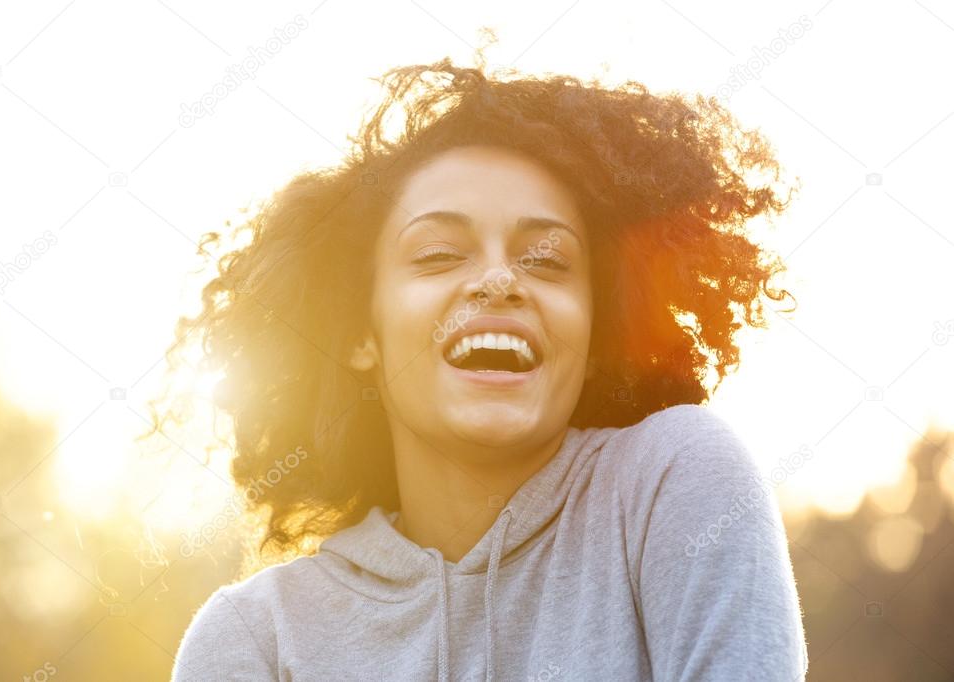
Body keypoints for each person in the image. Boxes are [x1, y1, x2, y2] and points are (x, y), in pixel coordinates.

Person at [164, 57, 808, 681]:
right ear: (362, 333)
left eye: (548, 260)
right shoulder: (254, 639)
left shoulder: (674, 481)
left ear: (594, 339)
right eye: (441, 253)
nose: (500, 280)